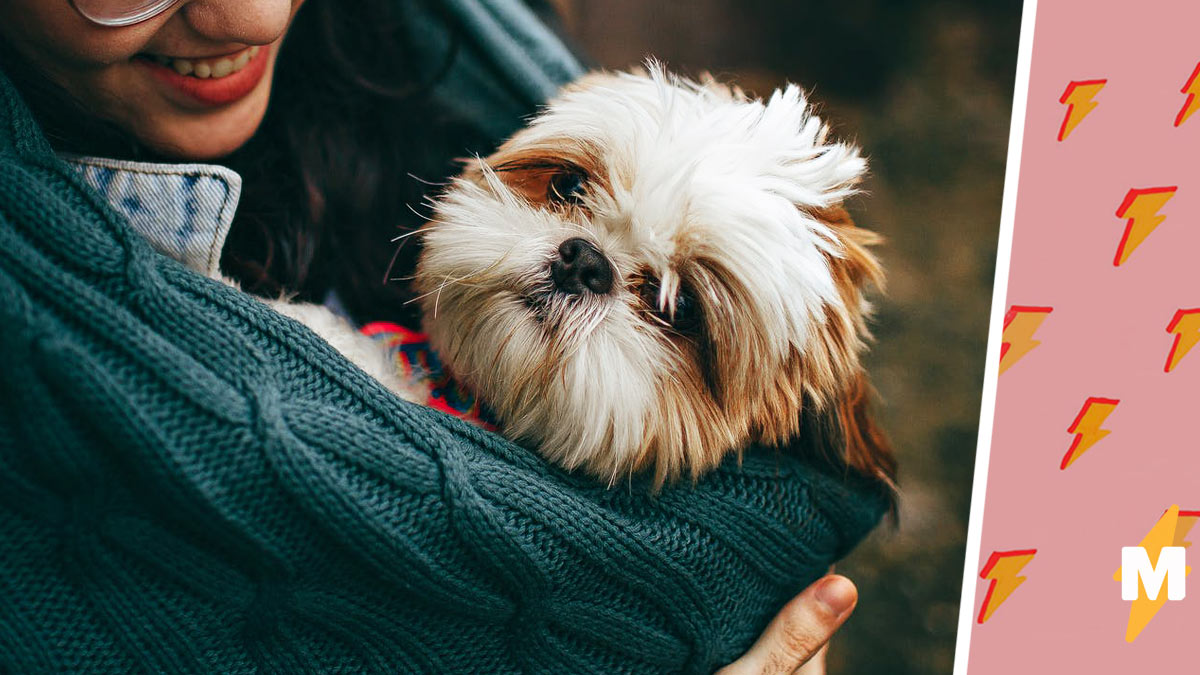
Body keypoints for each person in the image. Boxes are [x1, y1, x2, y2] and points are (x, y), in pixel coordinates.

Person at [0, 1, 877, 672]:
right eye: (567, 189)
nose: (253, 14)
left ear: (772, 417)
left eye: (674, 308)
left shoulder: (456, 43)